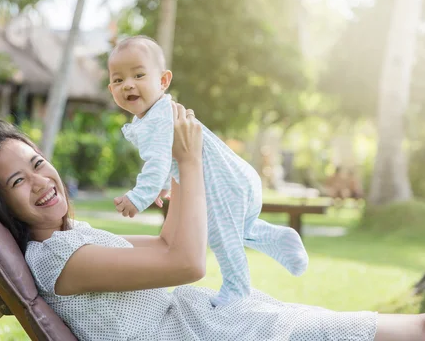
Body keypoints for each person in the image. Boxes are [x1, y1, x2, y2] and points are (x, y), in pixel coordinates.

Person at [0, 109, 425, 341]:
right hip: (209, 332)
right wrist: (189, 164)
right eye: (18, 181)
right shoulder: (58, 260)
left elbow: (170, 242)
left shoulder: (72, 239)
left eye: (38, 162)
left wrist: (177, 177)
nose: (42, 181)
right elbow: (188, 263)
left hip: (218, 323)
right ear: (3, 205)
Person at [107, 35, 307, 306]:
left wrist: (138, 197)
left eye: (139, 75)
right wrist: (166, 185)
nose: (128, 84)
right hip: (237, 177)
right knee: (239, 229)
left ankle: (237, 289)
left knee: (222, 234)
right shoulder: (155, 115)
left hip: (225, 182)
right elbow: (167, 156)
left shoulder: (159, 116)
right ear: (111, 89)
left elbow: (156, 163)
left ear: (163, 81)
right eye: (118, 80)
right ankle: (281, 238)